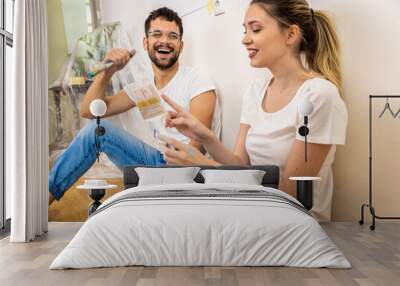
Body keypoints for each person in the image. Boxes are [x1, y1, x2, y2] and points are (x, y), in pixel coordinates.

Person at [160, 0, 348, 221]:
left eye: (255, 29)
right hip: (254, 212)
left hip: (295, 225)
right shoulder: (256, 91)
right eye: (245, 30)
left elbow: (291, 193)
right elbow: (240, 164)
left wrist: (204, 164)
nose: (245, 39)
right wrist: (204, 135)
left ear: (291, 35)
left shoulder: (319, 96)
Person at [49, 7, 221, 204]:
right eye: (157, 34)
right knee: (96, 130)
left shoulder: (198, 80)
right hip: (157, 162)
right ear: (145, 43)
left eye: (172, 36)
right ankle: (39, 205)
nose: (165, 41)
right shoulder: (143, 86)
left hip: (188, 170)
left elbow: (196, 148)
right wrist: (108, 71)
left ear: (180, 46)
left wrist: (173, 183)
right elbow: (88, 110)